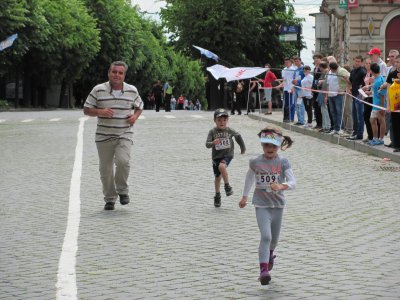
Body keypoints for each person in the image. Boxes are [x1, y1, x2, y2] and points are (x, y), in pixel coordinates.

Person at [239, 127, 295, 285]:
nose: (269, 149)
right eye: (266, 145)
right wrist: (244, 197)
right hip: (261, 204)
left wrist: (281, 186)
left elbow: (293, 183)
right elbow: (249, 179)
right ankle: (263, 270)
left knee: (274, 240)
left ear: (278, 146)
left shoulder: (283, 162)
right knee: (266, 236)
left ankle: (270, 254)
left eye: (273, 146)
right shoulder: (255, 162)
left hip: (278, 205)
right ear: (262, 145)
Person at [83, 61, 143, 210]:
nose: (117, 75)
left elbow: (140, 106)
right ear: (109, 73)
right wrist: (100, 112)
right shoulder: (98, 90)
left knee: (123, 162)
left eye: (120, 73)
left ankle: (122, 190)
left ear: (124, 75)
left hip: (124, 134)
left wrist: (135, 117)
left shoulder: (132, 90)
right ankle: (110, 198)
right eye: (114, 72)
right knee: (106, 169)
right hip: (104, 136)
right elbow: (86, 109)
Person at [206, 109, 246, 208]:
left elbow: (238, 137)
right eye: (219, 120)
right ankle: (217, 195)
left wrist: (242, 147)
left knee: (222, 166)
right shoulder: (212, 131)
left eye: (224, 120)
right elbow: (207, 144)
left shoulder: (230, 130)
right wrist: (213, 143)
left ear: (227, 120)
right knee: (217, 178)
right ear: (214, 120)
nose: (222, 122)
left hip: (228, 154)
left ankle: (227, 186)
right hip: (216, 156)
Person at [326, 62, 350, 135]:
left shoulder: (341, 71)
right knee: (333, 112)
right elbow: (328, 84)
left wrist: (346, 88)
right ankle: (335, 128)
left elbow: (349, 79)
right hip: (331, 95)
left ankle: (341, 128)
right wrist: (327, 95)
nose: (329, 69)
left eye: (330, 68)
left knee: (339, 112)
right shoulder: (330, 72)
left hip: (338, 94)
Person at [348, 55, 367, 140]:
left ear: (361, 62)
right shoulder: (352, 71)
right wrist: (349, 88)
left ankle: (360, 134)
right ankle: (355, 131)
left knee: (360, 115)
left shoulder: (363, 71)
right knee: (354, 115)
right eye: (356, 61)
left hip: (360, 95)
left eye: (359, 61)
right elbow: (351, 82)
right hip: (354, 95)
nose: (357, 63)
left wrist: (363, 94)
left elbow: (366, 83)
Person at [368, 62, 387, 146]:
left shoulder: (379, 80)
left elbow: (382, 95)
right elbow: (375, 91)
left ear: (372, 71)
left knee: (381, 120)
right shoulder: (377, 79)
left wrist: (382, 108)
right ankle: (375, 138)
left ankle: (380, 139)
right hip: (375, 103)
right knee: (372, 120)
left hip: (379, 104)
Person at [387, 63, 400, 152]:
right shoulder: (392, 74)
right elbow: (389, 90)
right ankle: (397, 145)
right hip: (395, 105)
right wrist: (388, 105)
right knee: (395, 125)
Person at [361, 58, 374, 143]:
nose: (368, 65)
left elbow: (374, 84)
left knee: (369, 116)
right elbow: (364, 84)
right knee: (365, 116)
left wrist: (369, 91)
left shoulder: (373, 74)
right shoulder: (366, 73)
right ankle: (369, 135)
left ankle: (372, 136)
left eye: (369, 63)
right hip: (366, 96)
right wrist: (363, 93)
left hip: (372, 97)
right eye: (366, 63)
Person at [291, 56, 305, 125]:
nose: (296, 62)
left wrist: (298, 82)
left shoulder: (303, 69)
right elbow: (294, 78)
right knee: (296, 105)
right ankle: (299, 119)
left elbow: (305, 79)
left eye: (297, 61)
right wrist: (293, 83)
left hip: (300, 89)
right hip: (295, 88)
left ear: (300, 61)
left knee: (301, 104)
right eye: (295, 61)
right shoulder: (295, 70)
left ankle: (302, 120)